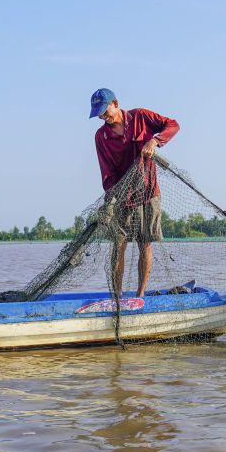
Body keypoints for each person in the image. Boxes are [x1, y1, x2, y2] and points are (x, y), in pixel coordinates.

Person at [90, 88, 179, 298]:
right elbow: (107, 172)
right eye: (99, 114)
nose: (103, 117)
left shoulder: (140, 116)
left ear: (116, 103)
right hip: (121, 196)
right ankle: (118, 298)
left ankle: (139, 296)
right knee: (118, 246)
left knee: (144, 244)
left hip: (148, 192)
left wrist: (154, 140)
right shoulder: (101, 136)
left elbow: (173, 125)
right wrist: (112, 199)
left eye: (105, 111)